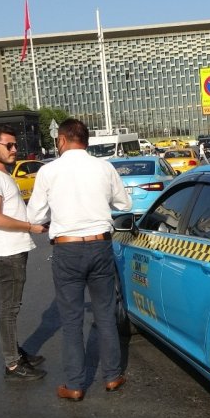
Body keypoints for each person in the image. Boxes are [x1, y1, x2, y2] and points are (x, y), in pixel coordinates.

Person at [27, 118, 132, 401]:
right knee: (105, 314)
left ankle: (74, 384)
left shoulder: (48, 171)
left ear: (61, 140)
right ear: (86, 141)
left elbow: (34, 216)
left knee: (71, 319)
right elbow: (124, 204)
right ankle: (112, 376)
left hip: (67, 249)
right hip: (100, 245)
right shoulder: (104, 167)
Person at [0, 124, 48, 382]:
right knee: (9, 310)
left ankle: (15, 353)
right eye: (9, 145)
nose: (15, 149)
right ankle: (13, 365)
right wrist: (31, 227)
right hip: (6, 252)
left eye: (15, 145)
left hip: (11, 248)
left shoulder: (1, 174)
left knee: (11, 308)